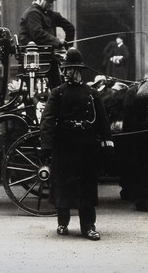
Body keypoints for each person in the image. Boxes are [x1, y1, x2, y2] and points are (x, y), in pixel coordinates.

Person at [39, 48, 114, 241]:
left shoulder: (91, 94)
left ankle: (88, 227)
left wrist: (107, 141)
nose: (65, 73)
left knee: (87, 188)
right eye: (64, 69)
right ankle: (62, 223)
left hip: (86, 147)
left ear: (77, 70)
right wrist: (47, 146)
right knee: (63, 186)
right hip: (64, 145)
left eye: (69, 69)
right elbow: (47, 120)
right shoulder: (58, 93)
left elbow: (102, 120)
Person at [19, 0, 75, 88]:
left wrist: (68, 46)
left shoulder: (48, 14)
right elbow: (38, 34)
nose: (51, 4)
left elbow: (70, 27)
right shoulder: (32, 13)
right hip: (33, 58)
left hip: (46, 55)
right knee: (57, 83)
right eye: (49, 1)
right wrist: (58, 41)